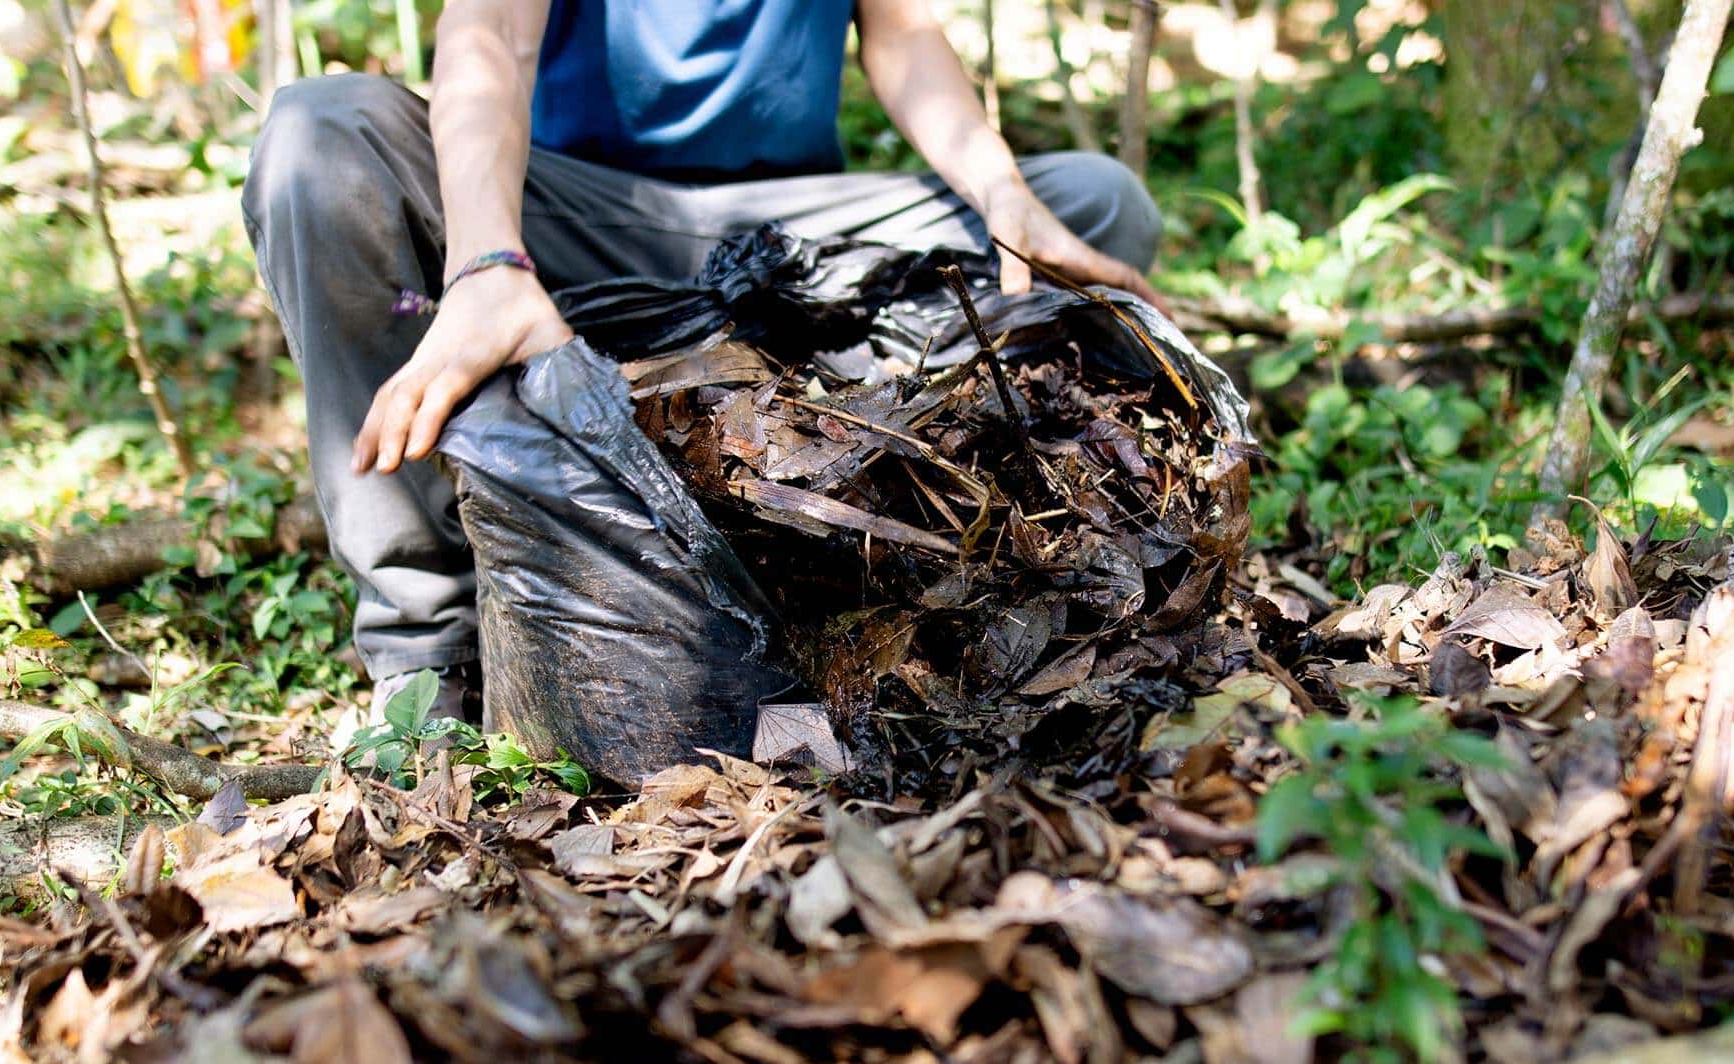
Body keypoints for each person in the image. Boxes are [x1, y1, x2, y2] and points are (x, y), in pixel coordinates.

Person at [242, 0, 1165, 722]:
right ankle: (427, 656)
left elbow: (906, 37)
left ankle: (949, 517)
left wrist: (1003, 192)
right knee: (320, 137)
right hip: (571, 236)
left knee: (1095, 205)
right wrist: (487, 258)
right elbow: (489, 34)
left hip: (784, 248)